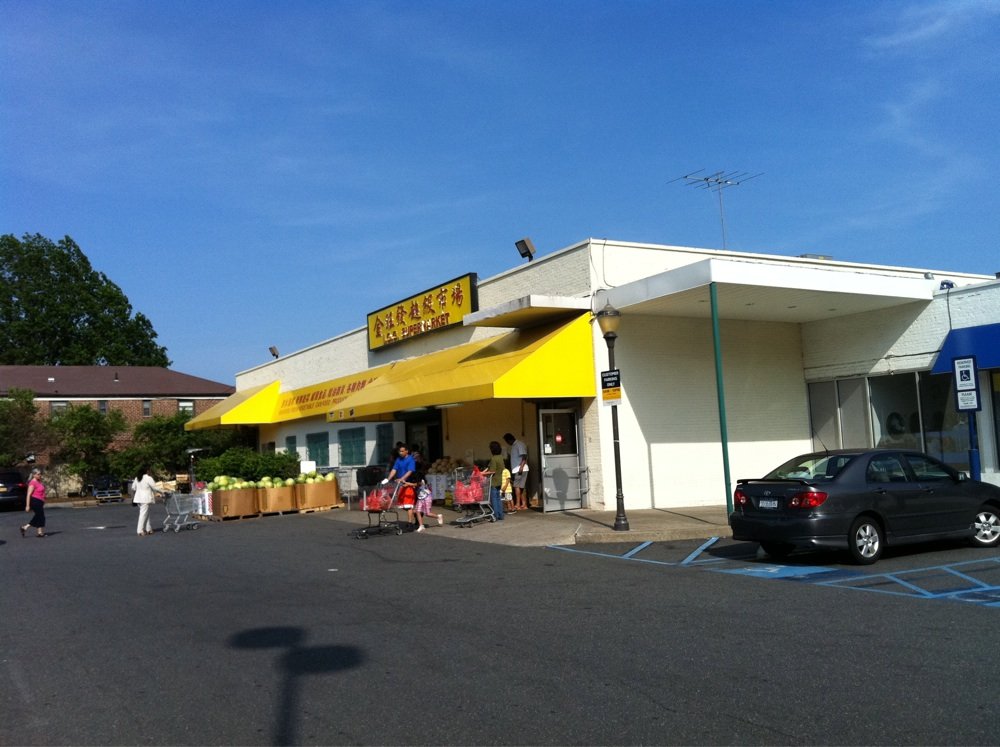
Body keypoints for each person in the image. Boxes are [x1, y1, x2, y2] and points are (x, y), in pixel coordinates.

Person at [383, 444, 416, 527]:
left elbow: (410, 471)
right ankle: (417, 512)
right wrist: (388, 479)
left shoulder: (410, 459)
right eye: (399, 451)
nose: (400, 453)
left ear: (406, 451)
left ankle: (409, 523)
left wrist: (402, 478)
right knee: (402, 504)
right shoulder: (398, 459)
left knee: (408, 505)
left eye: (402, 451)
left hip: (409, 484)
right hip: (400, 484)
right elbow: (394, 469)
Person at [132, 466, 161, 537]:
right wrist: (164, 491)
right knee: (143, 515)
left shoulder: (137, 478)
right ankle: (140, 530)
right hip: (145, 499)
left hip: (138, 499)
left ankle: (149, 529)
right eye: (150, 470)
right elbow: (155, 487)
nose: (150, 472)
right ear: (147, 471)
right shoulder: (148, 478)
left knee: (146, 514)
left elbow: (133, 488)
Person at [503, 432, 529, 512]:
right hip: (518, 468)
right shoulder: (515, 445)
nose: (507, 443)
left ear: (509, 440)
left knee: (516, 486)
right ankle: (524, 504)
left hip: (520, 469)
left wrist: (521, 466)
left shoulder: (519, 444)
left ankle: (518, 504)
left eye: (507, 441)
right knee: (521, 487)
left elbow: (524, 456)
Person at [21, 467, 46, 538]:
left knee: (39, 516)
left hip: (40, 501)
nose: (40, 475)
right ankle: (26, 527)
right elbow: (28, 494)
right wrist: (27, 505)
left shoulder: (39, 481)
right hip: (35, 501)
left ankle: (39, 532)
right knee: (40, 516)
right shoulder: (32, 483)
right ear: (34, 475)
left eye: (40, 474)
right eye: (38, 474)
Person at [484, 440, 506, 521]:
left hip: (494, 481)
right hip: (500, 480)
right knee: (499, 498)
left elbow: (492, 471)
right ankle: (501, 515)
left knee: (494, 499)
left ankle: (495, 515)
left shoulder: (493, 459)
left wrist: (483, 474)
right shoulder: (500, 457)